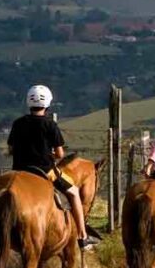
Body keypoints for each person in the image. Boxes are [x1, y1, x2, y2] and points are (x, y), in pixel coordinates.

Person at [8, 85, 101, 250]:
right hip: (45, 171)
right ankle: (82, 236)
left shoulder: (18, 123)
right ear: (48, 104)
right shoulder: (50, 124)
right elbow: (59, 154)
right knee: (73, 193)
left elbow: (10, 149)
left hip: (19, 171)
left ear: (28, 102)